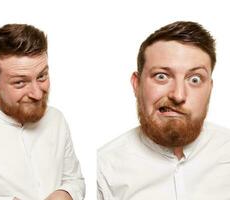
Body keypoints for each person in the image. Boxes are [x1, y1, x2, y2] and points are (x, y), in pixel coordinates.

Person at [97, 21, 230, 200]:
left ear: (210, 89)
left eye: (195, 79)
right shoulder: (102, 169)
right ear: (137, 84)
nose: (178, 95)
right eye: (162, 76)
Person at [0, 24, 85, 200]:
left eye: (42, 76)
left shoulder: (56, 119)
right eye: (20, 82)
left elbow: (74, 179)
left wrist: (66, 194)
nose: (37, 93)